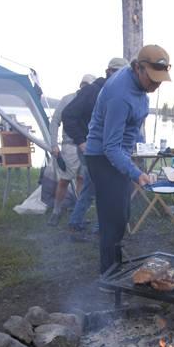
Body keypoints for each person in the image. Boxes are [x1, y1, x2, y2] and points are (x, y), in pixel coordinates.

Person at [84, 45, 171, 274]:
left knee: (123, 213)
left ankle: (114, 265)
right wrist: (135, 172)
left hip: (116, 153)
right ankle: (108, 274)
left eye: (160, 79)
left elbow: (128, 133)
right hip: (101, 157)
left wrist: (133, 165)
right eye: (153, 79)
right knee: (112, 217)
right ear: (137, 68)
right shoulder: (119, 96)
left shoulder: (138, 83)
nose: (156, 84)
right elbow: (110, 147)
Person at [61, 58, 129, 242]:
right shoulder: (93, 90)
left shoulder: (118, 93)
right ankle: (100, 232)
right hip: (91, 150)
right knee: (105, 189)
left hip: (105, 151)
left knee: (92, 189)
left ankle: (75, 225)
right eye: (123, 74)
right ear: (111, 73)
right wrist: (81, 141)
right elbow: (67, 114)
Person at [47, 74, 97, 226]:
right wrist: (54, 144)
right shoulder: (68, 99)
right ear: (82, 85)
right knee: (65, 180)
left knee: (83, 180)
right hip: (70, 145)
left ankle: (78, 214)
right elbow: (55, 120)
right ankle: (56, 213)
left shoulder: (93, 100)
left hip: (87, 146)